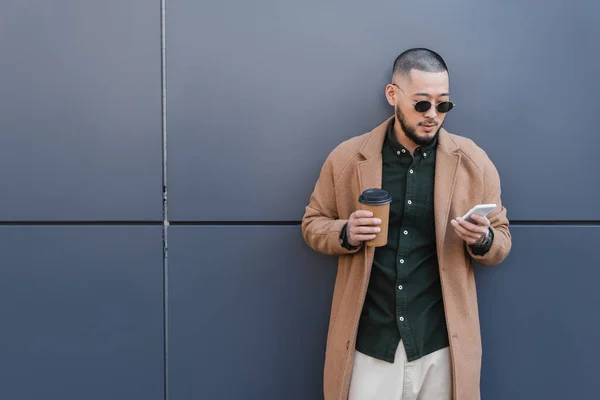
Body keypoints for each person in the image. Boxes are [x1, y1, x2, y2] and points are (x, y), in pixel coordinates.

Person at [301, 48, 512, 400]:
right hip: (370, 344)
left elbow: (501, 240)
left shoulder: (474, 162)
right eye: (422, 104)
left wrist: (483, 239)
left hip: (442, 345)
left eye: (443, 105)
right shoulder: (347, 158)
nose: (433, 115)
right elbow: (312, 223)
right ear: (393, 95)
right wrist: (345, 233)